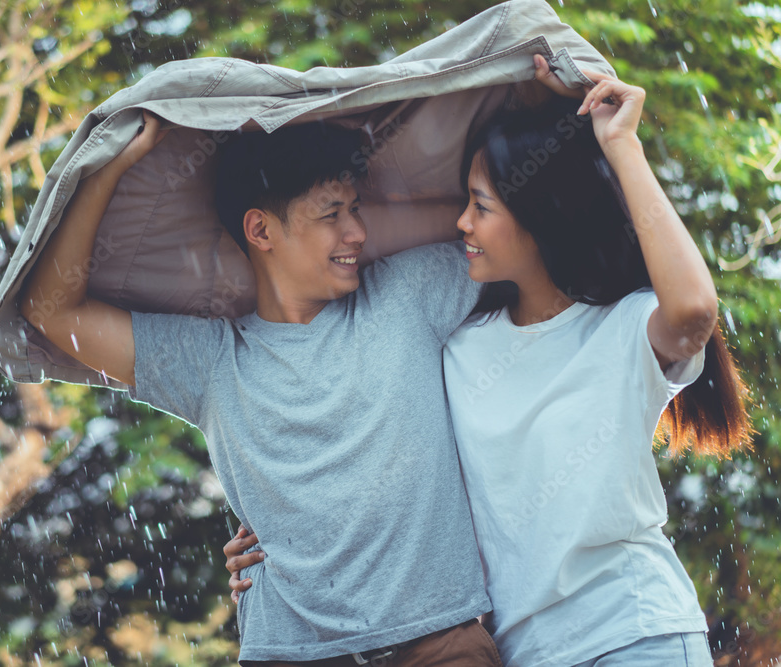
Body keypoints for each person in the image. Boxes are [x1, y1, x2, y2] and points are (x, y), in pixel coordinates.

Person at [224, 70, 751, 666]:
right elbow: (385, 470)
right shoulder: (457, 348)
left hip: (632, 633)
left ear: (539, 217)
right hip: (524, 652)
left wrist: (620, 144)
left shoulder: (623, 329)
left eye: (479, 206)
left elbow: (695, 310)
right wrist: (283, 535)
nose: (461, 223)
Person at [19, 110, 503, 664]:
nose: (358, 233)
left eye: (357, 211)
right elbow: (50, 311)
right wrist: (108, 167)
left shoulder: (407, 292)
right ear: (259, 230)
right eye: (331, 215)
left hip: (437, 641)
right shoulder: (210, 361)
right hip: (291, 651)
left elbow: (506, 222)